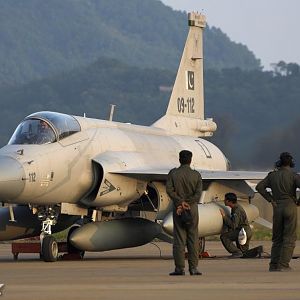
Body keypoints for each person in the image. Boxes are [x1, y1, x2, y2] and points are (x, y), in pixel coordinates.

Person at [256, 152, 300, 272]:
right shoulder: (294, 176)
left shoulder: (272, 175)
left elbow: (259, 187)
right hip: (290, 206)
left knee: (277, 238)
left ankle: (274, 264)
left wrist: (270, 199)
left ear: (279, 162)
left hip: (277, 207)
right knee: (289, 237)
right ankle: (284, 264)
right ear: (291, 163)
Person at [166, 150, 203, 276]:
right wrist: (188, 203)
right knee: (193, 239)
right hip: (192, 210)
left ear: (179, 159)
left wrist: (180, 203)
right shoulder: (196, 175)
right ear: (190, 160)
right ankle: (193, 268)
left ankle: (179, 269)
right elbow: (198, 194)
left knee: (179, 240)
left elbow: (169, 190)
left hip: (178, 210)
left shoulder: (173, 173)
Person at [219, 192, 252, 257]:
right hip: (246, 232)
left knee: (224, 237)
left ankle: (236, 252)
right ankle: (240, 252)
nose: (224, 201)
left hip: (242, 233)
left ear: (229, 201)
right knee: (244, 254)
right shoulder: (237, 207)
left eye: (225, 200)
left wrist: (224, 216)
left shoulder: (236, 210)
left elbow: (233, 225)